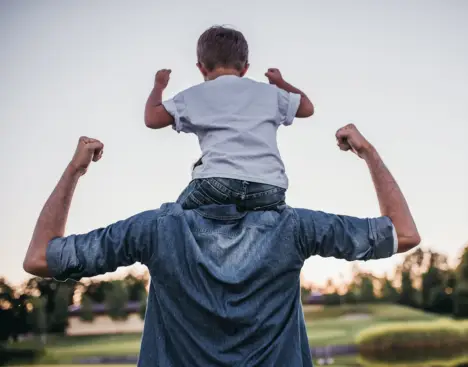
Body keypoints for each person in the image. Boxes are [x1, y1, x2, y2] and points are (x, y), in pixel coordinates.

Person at [23, 124, 420, 367]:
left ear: (198, 175)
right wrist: (367, 152)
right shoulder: (295, 228)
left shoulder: (157, 229)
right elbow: (403, 233)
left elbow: (41, 257)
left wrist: (76, 169)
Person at [144, 25, 314, 211]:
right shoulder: (268, 93)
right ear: (245, 69)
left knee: (175, 218)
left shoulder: (195, 95)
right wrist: (280, 83)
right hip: (270, 187)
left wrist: (159, 86)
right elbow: (307, 107)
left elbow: (152, 118)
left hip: (217, 183)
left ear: (201, 68)